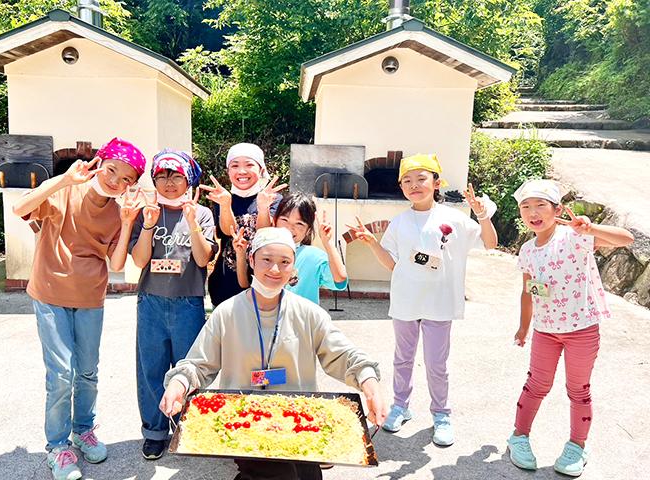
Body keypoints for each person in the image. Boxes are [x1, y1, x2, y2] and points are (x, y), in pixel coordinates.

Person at [159, 227, 388, 480]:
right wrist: (179, 383)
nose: (275, 269)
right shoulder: (226, 313)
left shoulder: (309, 313)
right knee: (278, 475)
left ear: (294, 267)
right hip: (244, 420)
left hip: (299, 419)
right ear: (251, 260)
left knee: (309, 476)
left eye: (285, 262)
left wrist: (370, 384)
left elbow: (344, 355)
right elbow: (198, 364)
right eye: (266, 259)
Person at [11, 138, 146, 480]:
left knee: (87, 371)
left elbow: (118, 263)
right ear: (99, 164)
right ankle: (58, 446)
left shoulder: (117, 213)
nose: (115, 180)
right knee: (60, 374)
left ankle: (83, 430)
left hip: (90, 297)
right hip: (50, 292)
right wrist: (64, 180)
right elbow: (19, 208)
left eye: (126, 178)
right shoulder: (65, 191)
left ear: (131, 185)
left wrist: (127, 222)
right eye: (111, 170)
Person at [347, 153, 497, 446]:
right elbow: (392, 264)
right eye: (407, 181)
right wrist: (373, 243)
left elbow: (490, 243)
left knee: (436, 364)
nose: (414, 185)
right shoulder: (400, 222)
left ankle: (441, 414)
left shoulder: (456, 218)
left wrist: (483, 215)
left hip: (440, 303)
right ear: (401, 187)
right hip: (405, 301)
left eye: (421, 179)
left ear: (437, 183)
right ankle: (401, 406)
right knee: (402, 359)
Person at [506, 179, 634, 476]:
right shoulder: (527, 250)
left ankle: (577, 445)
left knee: (579, 390)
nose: (533, 212)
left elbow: (626, 239)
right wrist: (524, 328)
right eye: (526, 207)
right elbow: (528, 291)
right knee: (536, 385)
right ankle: (519, 437)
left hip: (582, 329)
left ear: (558, 210)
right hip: (545, 331)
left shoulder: (575, 236)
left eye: (541, 205)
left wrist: (590, 229)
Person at [128, 150, 218, 460]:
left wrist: (192, 223)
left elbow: (203, 259)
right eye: (162, 176)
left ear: (188, 180)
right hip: (150, 301)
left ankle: (187, 427)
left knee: (188, 368)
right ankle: (154, 432)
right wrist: (148, 225)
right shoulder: (146, 213)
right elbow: (140, 260)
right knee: (151, 369)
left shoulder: (201, 214)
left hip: (188, 302)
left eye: (176, 175)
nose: (169, 182)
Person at [200, 143, 286, 306]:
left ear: (261, 170)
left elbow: (265, 234)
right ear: (228, 172)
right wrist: (225, 205)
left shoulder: (273, 199)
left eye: (249, 165)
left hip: (261, 286)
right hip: (225, 286)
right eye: (235, 165)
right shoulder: (223, 198)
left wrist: (263, 207)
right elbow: (228, 231)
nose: (242, 171)